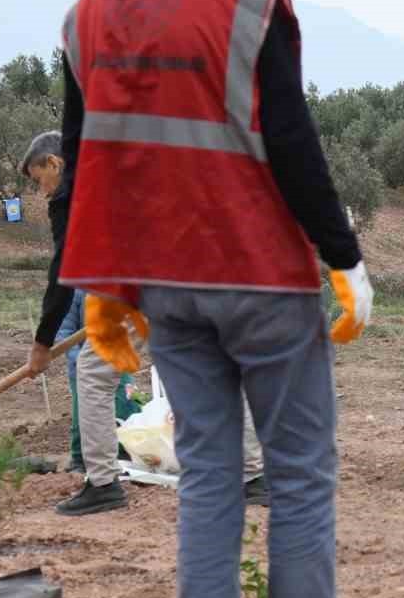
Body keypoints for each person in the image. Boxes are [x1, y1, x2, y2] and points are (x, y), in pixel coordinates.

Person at [38, 0, 397, 598]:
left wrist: (100, 287)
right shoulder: (251, 2)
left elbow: (85, 168)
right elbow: (292, 137)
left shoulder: (86, 15)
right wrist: (344, 254)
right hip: (260, 279)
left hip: (162, 289)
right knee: (301, 477)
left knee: (206, 480)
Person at [23, 132, 269, 513]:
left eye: (39, 180)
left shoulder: (71, 195)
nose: (42, 192)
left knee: (92, 372)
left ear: (54, 164)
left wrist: (42, 343)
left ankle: (103, 483)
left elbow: (62, 274)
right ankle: (253, 478)